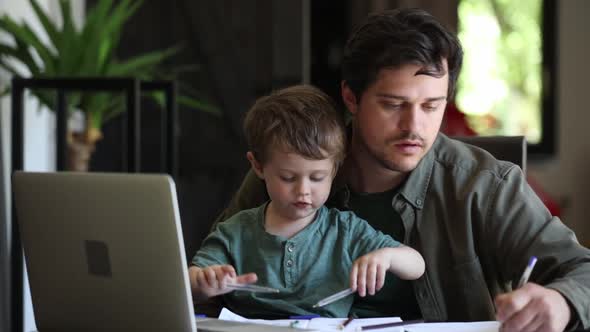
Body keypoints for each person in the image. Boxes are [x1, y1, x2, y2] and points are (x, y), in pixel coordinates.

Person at [209, 8, 590, 332]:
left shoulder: (486, 186)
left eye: (431, 106)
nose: (414, 127)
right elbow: (206, 275)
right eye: (394, 105)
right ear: (350, 98)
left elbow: (581, 271)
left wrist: (560, 303)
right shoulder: (292, 166)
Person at [189, 85, 425, 318]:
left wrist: (386, 257)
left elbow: (417, 265)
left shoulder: (345, 230)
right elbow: (187, 284)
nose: (303, 191)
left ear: (335, 168)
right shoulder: (235, 232)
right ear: (258, 166)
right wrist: (204, 282)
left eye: (317, 178)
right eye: (288, 177)